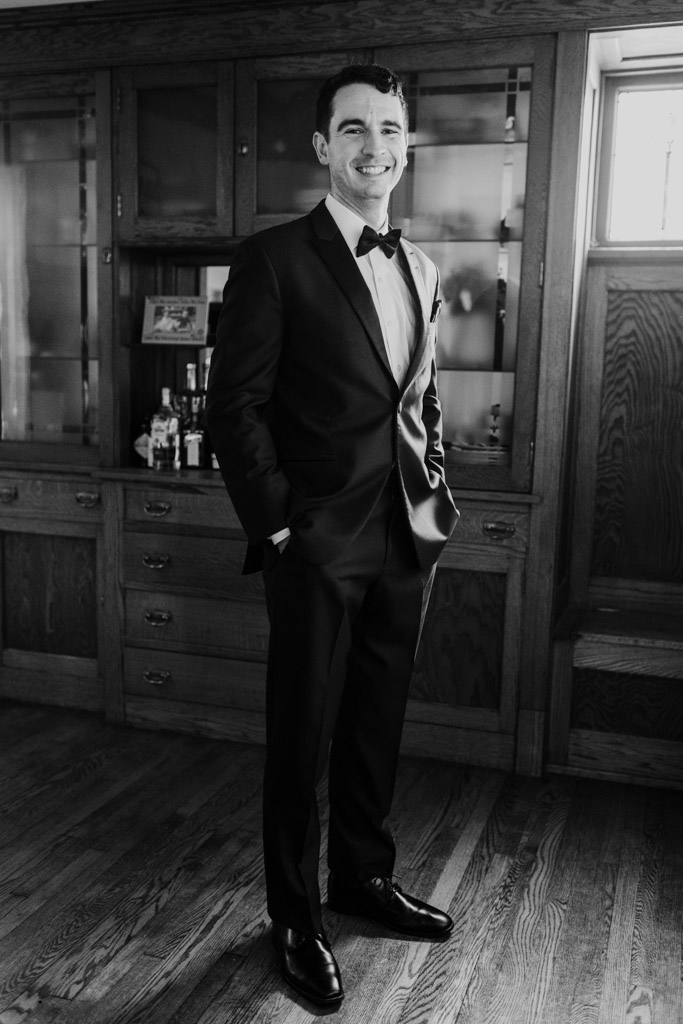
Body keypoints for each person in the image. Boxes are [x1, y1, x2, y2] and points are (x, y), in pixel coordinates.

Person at [206, 63, 460, 1008]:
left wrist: (435, 498)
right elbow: (234, 410)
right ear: (322, 146)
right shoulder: (273, 259)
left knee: (374, 725)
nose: (374, 148)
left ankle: (362, 879)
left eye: (389, 130)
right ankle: (294, 918)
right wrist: (280, 530)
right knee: (301, 734)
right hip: (314, 545)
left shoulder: (423, 266)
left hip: (405, 540)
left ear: (406, 145)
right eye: (353, 129)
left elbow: (421, 398)